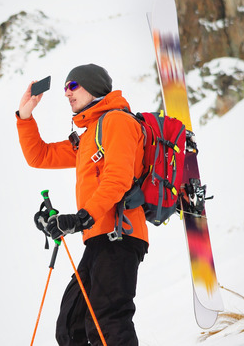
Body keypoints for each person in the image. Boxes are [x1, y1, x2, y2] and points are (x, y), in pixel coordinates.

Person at [16, 63, 148, 346]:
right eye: (65, 88)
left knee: (108, 321)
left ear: (94, 86)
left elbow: (117, 179)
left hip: (120, 234)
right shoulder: (89, 137)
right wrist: (25, 117)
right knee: (71, 325)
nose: (67, 93)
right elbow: (40, 156)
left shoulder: (118, 122)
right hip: (98, 239)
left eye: (73, 86)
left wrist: (81, 217)